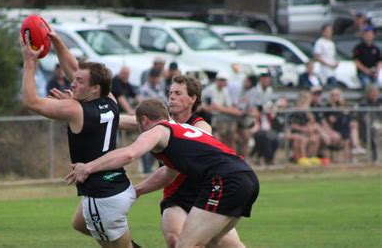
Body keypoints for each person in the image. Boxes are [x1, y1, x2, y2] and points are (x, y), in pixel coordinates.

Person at [67, 99, 259, 247]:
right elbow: (168, 174)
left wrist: (88, 167)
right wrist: (138, 190)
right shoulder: (181, 129)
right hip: (248, 177)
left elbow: (129, 154)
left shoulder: (158, 130)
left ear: (144, 120)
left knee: (185, 245)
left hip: (225, 180)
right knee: (212, 243)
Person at [20, 30, 138, 248]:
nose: (72, 84)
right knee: (79, 223)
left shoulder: (75, 109)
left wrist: (29, 62)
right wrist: (58, 43)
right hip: (118, 186)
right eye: (74, 80)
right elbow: (75, 69)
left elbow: (31, 102)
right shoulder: (110, 101)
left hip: (102, 195)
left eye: (79, 82)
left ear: (94, 88)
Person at [153, 75, 244, 247]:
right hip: (175, 198)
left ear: (192, 99)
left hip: (205, 195)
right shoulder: (161, 126)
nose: (172, 97)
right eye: (170, 92)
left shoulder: (201, 126)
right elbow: (133, 121)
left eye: (178, 93)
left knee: (232, 246)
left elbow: (201, 139)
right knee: (175, 240)